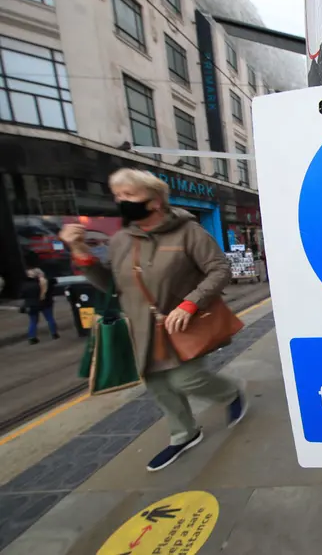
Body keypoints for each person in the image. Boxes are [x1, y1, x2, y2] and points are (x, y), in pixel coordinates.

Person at [59, 169, 246, 472]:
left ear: (156, 201)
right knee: (160, 386)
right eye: (117, 196)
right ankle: (184, 434)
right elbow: (111, 285)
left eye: (129, 195)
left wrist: (190, 304)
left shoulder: (189, 232)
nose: (121, 202)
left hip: (184, 324)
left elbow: (220, 270)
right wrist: (80, 252)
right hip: (141, 330)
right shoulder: (121, 240)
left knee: (187, 378)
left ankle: (231, 392)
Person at [20, 267, 59, 344]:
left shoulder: (26, 284)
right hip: (46, 303)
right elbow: (53, 283)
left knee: (33, 321)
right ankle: (54, 333)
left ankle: (32, 337)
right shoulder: (45, 282)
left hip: (31, 304)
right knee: (50, 318)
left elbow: (22, 295)